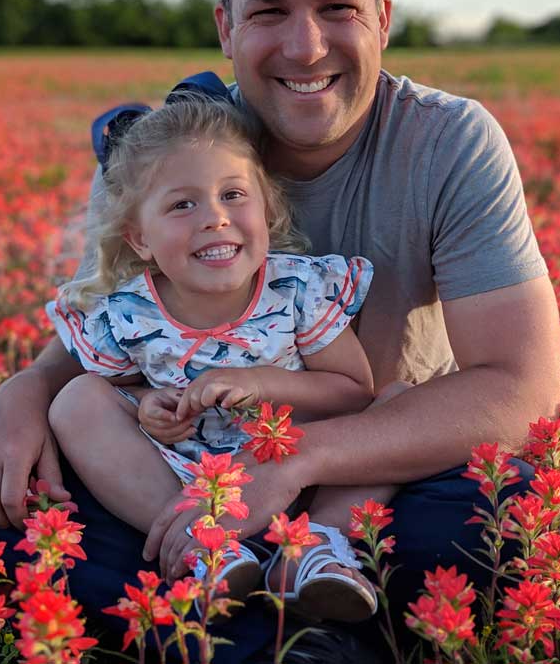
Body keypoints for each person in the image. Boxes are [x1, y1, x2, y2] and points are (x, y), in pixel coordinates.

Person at [0, 0, 560, 660]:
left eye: (337, 7)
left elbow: (522, 388)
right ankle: (306, 631)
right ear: (226, 26)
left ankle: (213, 626)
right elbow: (114, 332)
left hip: (371, 477)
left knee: (494, 503)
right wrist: (23, 395)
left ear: (382, 16)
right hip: (181, 472)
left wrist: (292, 463)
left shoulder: (450, 141)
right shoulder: (172, 145)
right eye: (269, 11)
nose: (305, 45)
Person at [46, 95, 385, 623]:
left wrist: (260, 382)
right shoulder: (129, 313)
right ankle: (206, 545)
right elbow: (120, 392)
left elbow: (355, 392)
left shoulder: (296, 289)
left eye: (233, 194)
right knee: (75, 401)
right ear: (140, 238)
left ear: (266, 210)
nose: (215, 219)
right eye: (183, 205)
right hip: (185, 476)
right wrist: (146, 405)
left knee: (399, 403)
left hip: (306, 471)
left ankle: (317, 547)